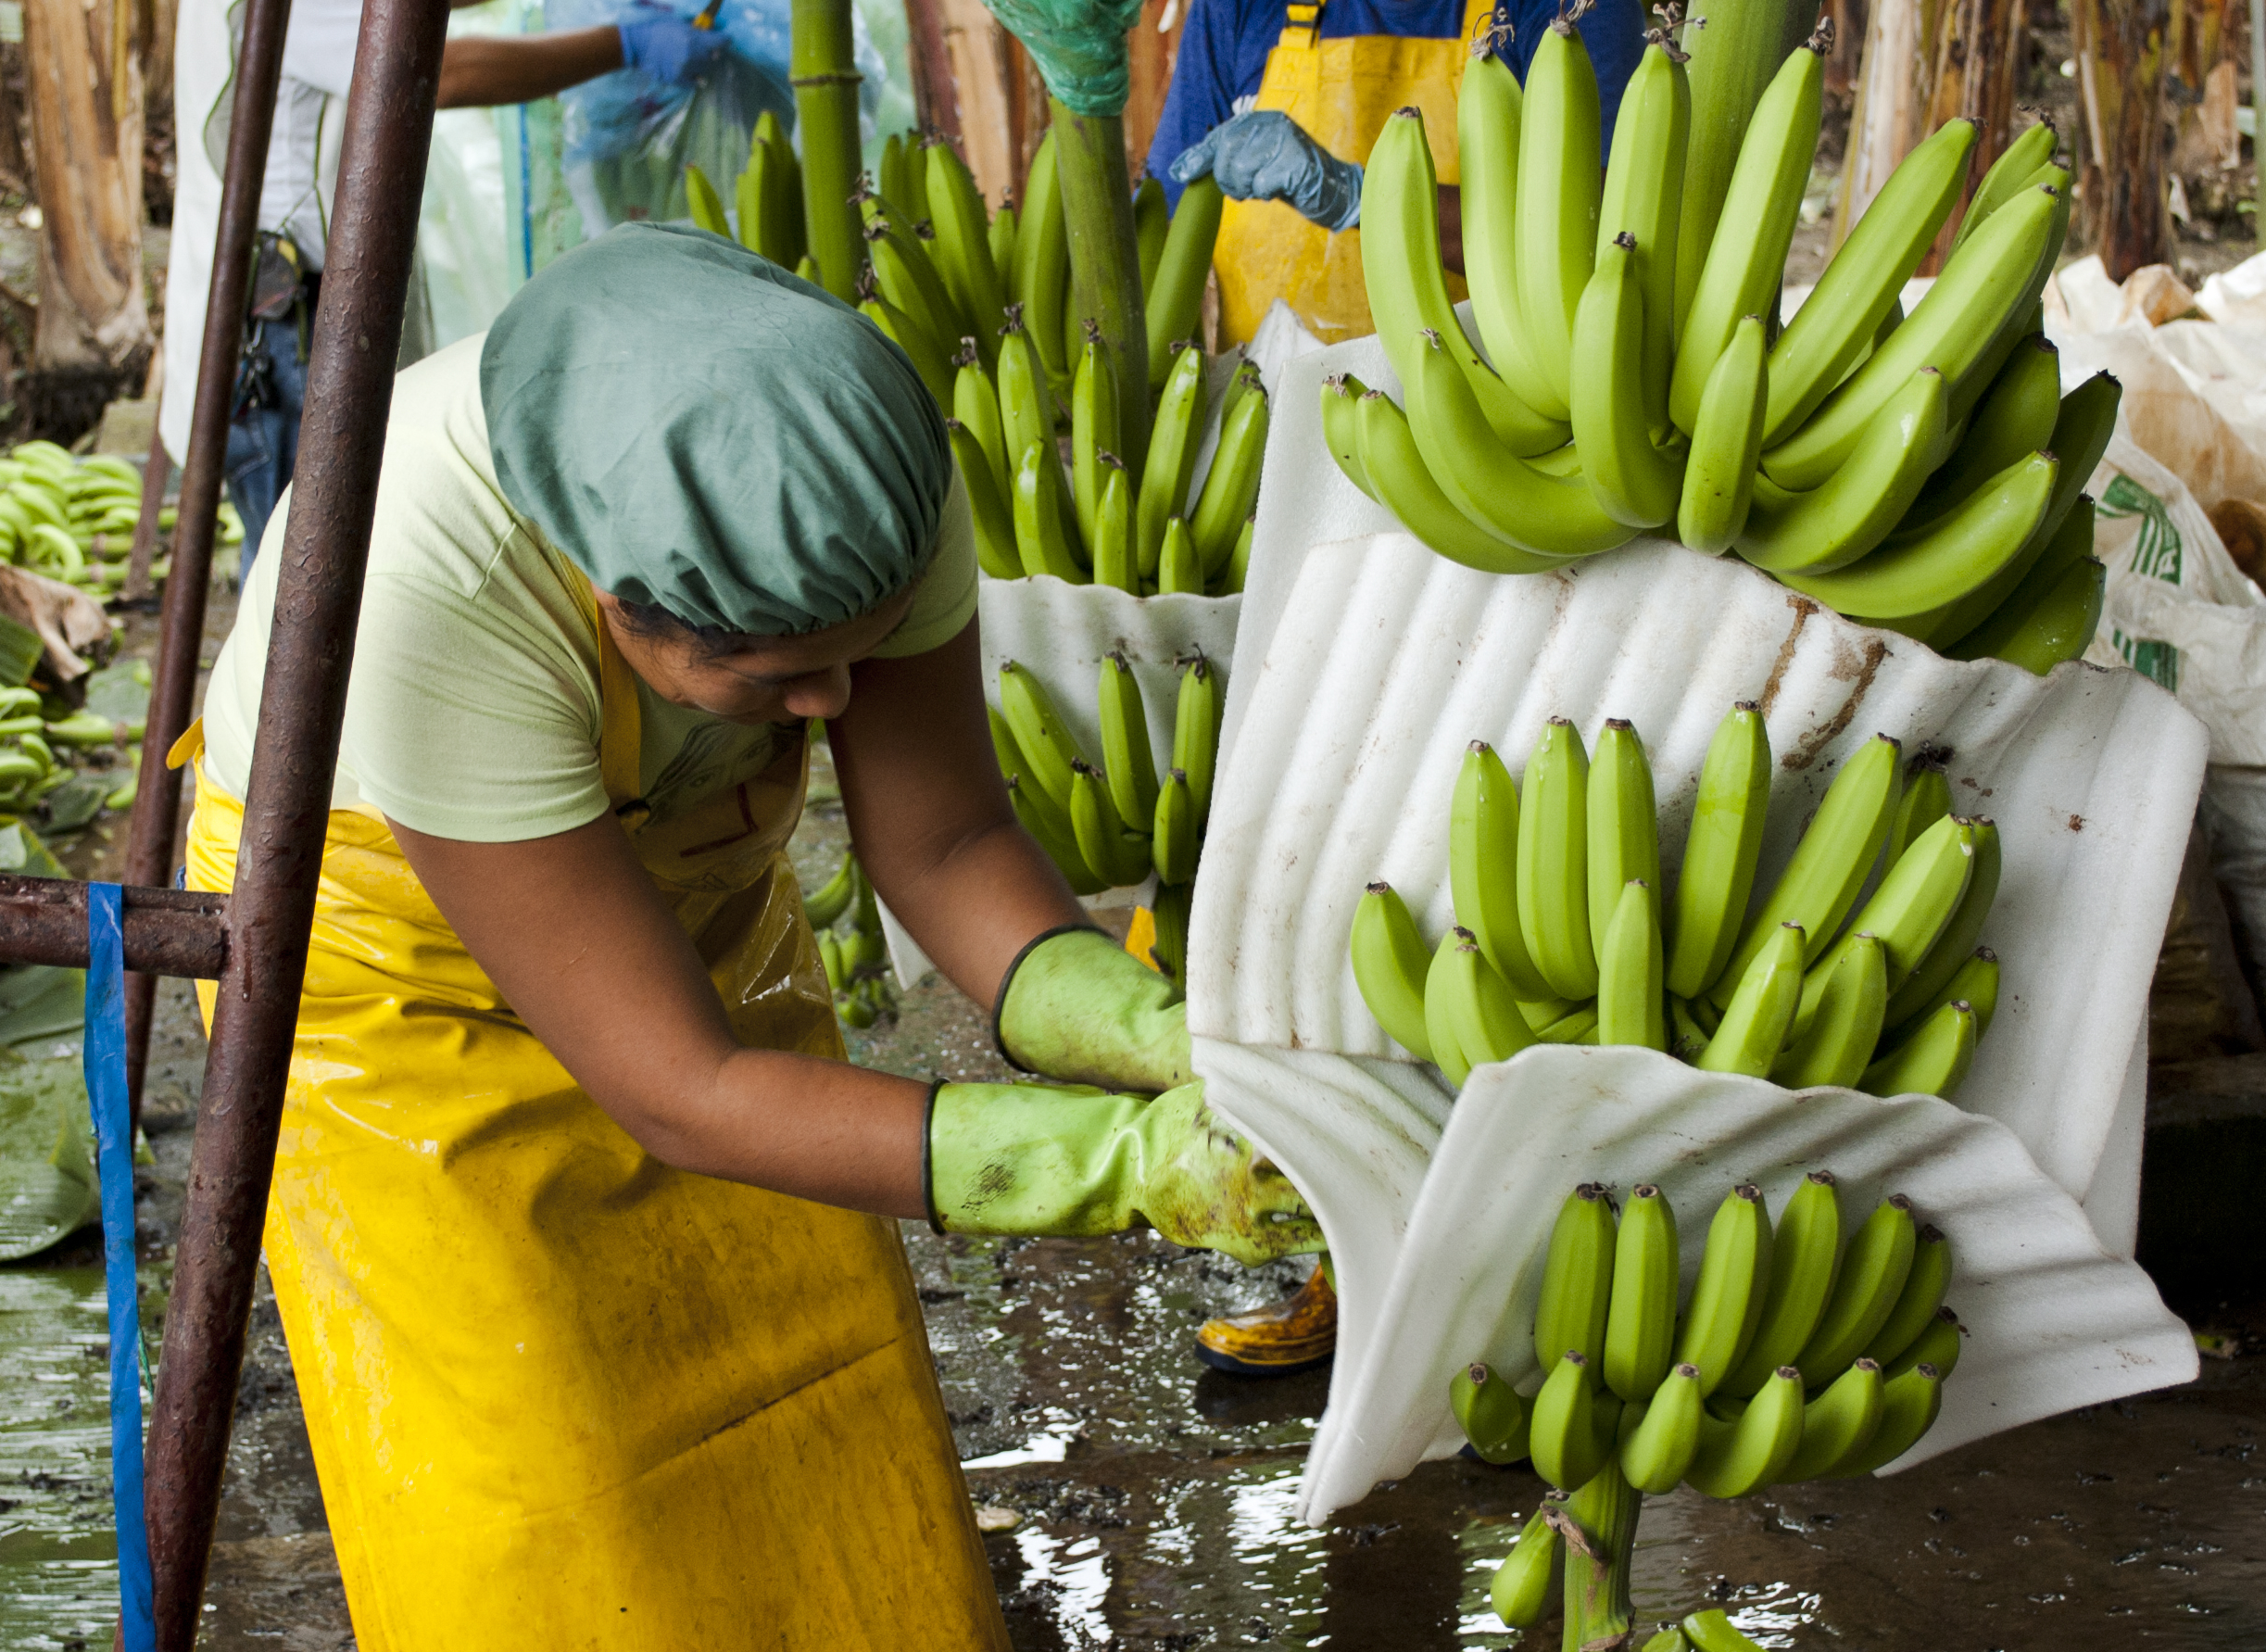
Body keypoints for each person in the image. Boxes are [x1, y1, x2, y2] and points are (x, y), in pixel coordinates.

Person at [175, 223, 1323, 1645]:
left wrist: (1156, 1037)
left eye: (866, 649)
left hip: (687, 910)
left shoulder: (859, 483)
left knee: (819, 1411)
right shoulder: (425, 586)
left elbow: (947, 842)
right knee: (548, 1478)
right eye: (780, 678)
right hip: (391, 977)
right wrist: (1107, 1165)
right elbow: (681, 1086)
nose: (836, 707)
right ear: (612, 602)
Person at [1145, 0, 1643, 1377]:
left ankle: (1506, 1249)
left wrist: (1361, 200)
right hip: (1279, 467)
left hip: (1490, 469)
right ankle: (1302, 1223)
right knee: (1278, 856)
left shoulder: (1561, 12)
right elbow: (1167, 221)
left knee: (1465, 870)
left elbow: (1605, 241)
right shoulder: (1244, 11)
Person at [159, 0, 730, 579]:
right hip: (286, 331)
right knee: (307, 573)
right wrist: (620, 45)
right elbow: (436, 69)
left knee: (306, 562)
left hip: (269, 304)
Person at [1149, 0, 1647, 348]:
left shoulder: (1569, 12)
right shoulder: (1240, 8)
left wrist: (1371, 201)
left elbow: (1593, 241)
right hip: (1256, 424)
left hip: (1491, 423)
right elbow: (1160, 232)